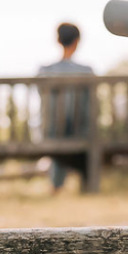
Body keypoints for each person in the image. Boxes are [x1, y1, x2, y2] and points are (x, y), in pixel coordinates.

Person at [38, 22, 94, 192]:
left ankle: (56, 186)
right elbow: (90, 104)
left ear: (58, 40)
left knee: (58, 133)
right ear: (77, 41)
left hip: (52, 131)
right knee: (78, 130)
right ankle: (87, 185)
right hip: (80, 131)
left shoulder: (45, 71)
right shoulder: (87, 71)